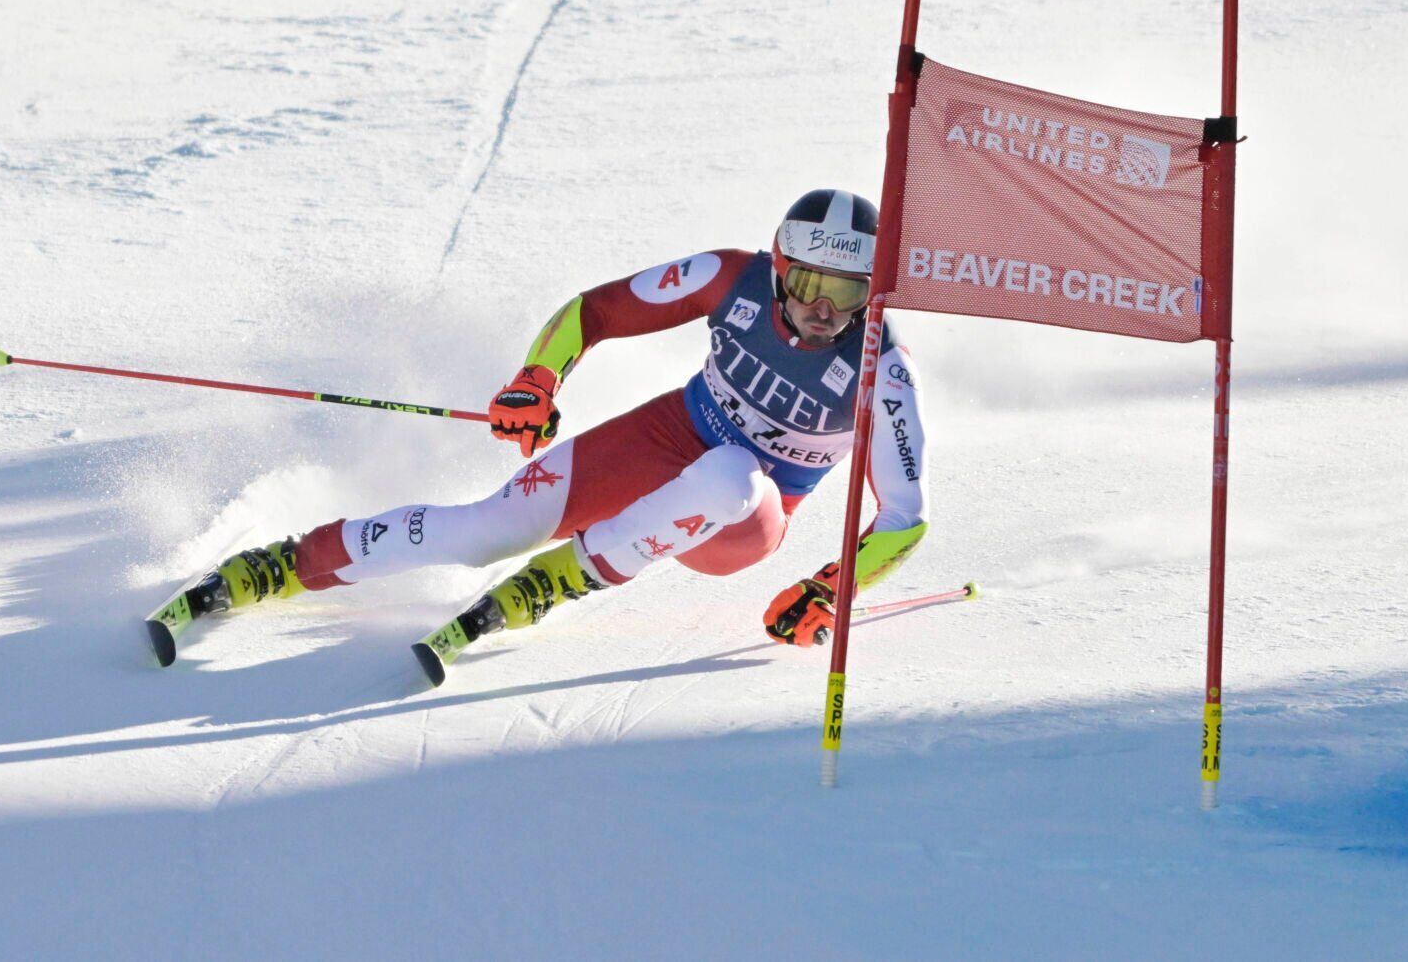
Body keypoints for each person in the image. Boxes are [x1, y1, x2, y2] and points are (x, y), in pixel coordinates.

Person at [188, 189, 929, 673]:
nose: (822, 309)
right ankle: (288, 563)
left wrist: (831, 590)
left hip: (744, 518)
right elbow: (595, 310)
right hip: (667, 436)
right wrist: (538, 378)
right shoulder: (726, 276)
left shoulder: (882, 372)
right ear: (778, 269)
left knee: (732, 472)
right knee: (485, 529)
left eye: (846, 292)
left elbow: (902, 517)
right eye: (806, 284)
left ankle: (563, 578)